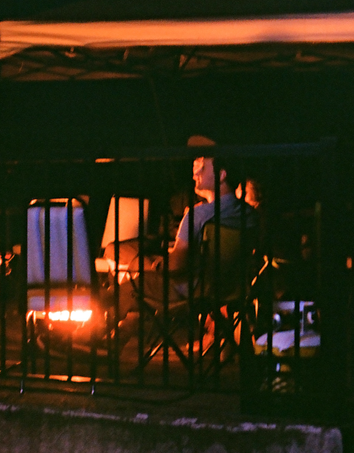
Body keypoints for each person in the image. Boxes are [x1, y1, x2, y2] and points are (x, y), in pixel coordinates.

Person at [109, 134, 256, 320]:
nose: (195, 173)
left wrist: (152, 265)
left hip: (190, 291)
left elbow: (175, 265)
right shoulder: (249, 215)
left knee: (128, 285)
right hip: (229, 290)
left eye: (202, 167)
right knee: (134, 274)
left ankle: (96, 329)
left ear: (221, 175)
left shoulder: (199, 215)